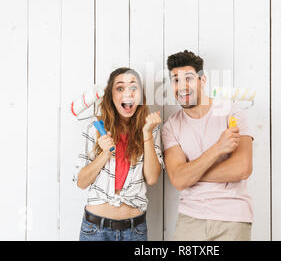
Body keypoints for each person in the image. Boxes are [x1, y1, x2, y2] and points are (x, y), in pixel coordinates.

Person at [161, 50, 254, 241]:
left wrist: (191, 174)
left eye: (188, 78)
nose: (182, 86)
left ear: (202, 80)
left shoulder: (233, 113)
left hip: (233, 217)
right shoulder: (171, 126)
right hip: (190, 219)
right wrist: (218, 148)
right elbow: (178, 180)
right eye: (175, 80)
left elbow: (243, 168)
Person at [73, 67, 163, 241]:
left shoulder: (152, 130)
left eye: (133, 88)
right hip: (95, 230)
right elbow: (82, 182)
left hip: (135, 231)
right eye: (120, 88)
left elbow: (152, 178)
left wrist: (147, 134)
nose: (127, 93)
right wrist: (104, 154)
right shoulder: (95, 129)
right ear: (111, 96)